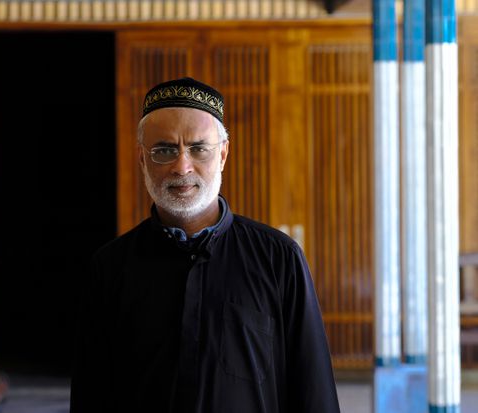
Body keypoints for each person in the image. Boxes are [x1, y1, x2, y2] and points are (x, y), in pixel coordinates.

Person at [71, 77, 340, 413]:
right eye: (164, 150)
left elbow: (313, 392)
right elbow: (92, 395)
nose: (182, 166)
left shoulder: (279, 259)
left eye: (198, 149)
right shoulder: (110, 268)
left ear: (223, 154)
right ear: (142, 158)